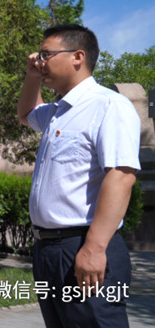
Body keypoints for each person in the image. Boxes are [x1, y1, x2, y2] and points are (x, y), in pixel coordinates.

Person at [17, 24, 140, 328]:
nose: (40, 61)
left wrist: (94, 248)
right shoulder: (57, 111)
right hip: (48, 249)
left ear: (78, 56)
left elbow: (121, 176)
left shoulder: (108, 105)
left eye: (46, 54)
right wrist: (32, 77)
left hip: (83, 245)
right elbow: (26, 114)